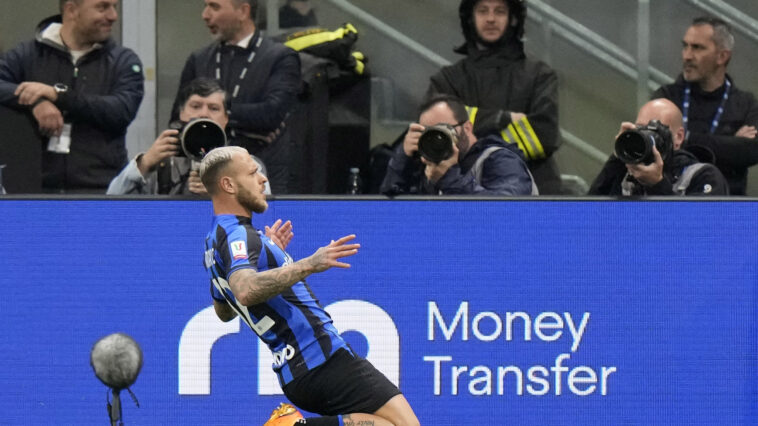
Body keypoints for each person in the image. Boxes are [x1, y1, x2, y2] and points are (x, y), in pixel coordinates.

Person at [199, 146, 420, 426]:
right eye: (253, 172)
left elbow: (225, 310)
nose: (263, 179)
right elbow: (244, 290)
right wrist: (308, 264)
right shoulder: (237, 234)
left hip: (299, 373)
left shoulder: (214, 240)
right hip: (321, 359)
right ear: (228, 184)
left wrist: (273, 259)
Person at [0, 0, 144, 193]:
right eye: (102, 7)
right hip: (36, 191)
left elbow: (121, 110)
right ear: (71, 9)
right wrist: (36, 102)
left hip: (102, 192)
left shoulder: (123, 61)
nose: (113, 16)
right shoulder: (28, 54)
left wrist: (58, 95)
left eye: (114, 7)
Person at [426, 0, 561, 193]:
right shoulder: (447, 78)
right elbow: (436, 128)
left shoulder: (540, 75)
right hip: (460, 186)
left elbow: (544, 135)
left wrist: (471, 125)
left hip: (534, 192)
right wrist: (505, 119)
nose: (490, 19)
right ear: (470, 18)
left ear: (513, 18)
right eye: (482, 11)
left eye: (499, 11)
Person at [173, 0, 301, 194]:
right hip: (203, 178)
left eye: (214, 7)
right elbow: (178, 120)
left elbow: (271, 114)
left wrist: (217, 116)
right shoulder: (199, 59)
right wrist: (245, 123)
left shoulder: (281, 57)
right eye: (206, 6)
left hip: (262, 180)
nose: (205, 15)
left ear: (243, 11)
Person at [107, 77, 270, 196]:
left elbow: (265, 212)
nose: (203, 114)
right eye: (196, 106)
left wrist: (223, 194)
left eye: (213, 108)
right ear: (181, 113)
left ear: (226, 119)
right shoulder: (162, 164)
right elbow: (110, 200)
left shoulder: (248, 164)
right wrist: (144, 163)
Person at [651, 16, 758, 195]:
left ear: (722, 56)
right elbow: (658, 146)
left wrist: (684, 140)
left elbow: (750, 151)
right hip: (673, 205)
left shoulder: (745, 104)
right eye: (685, 46)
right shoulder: (667, 97)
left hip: (728, 209)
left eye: (697, 48)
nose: (687, 56)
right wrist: (730, 142)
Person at [381, 94, 536, 196]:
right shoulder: (429, 164)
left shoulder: (500, 159)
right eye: (428, 133)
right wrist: (403, 158)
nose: (437, 138)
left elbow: (507, 211)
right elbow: (390, 209)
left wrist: (449, 178)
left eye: (443, 129)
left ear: (467, 127)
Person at [588, 98, 729, 196]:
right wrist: (619, 155)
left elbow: (698, 231)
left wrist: (657, 185)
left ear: (679, 137)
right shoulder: (626, 172)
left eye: (654, 131)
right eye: (640, 130)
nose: (645, 138)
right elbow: (586, 213)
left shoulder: (703, 175)